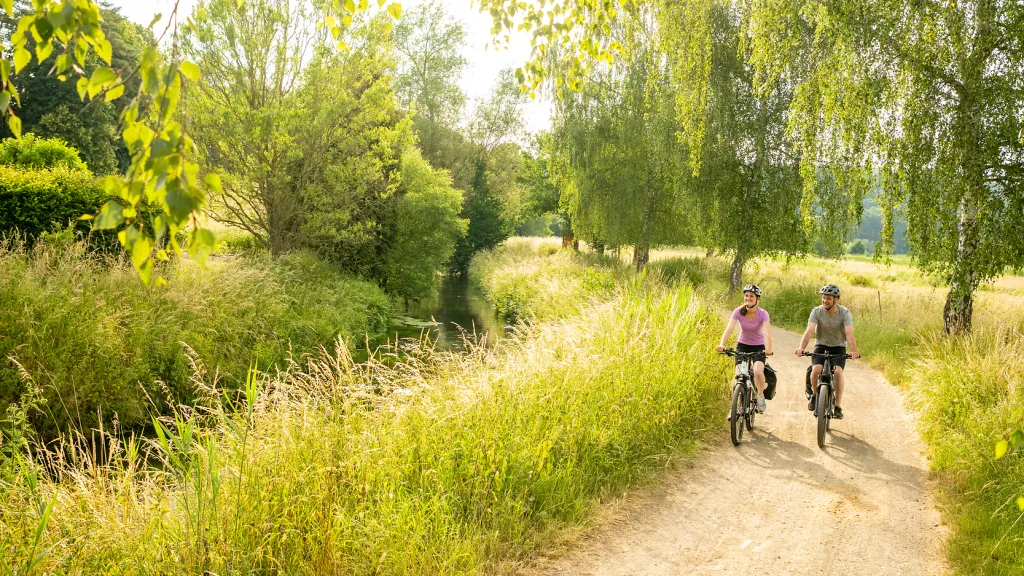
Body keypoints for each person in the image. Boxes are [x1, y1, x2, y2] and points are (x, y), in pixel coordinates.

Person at [795, 283, 861, 419]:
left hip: (838, 347)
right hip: (821, 345)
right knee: (816, 370)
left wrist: (853, 351)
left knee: (838, 371)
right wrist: (802, 347)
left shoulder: (844, 313)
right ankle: (814, 395)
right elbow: (810, 330)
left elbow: (849, 334)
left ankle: (837, 406)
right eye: (824, 298)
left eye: (828, 299)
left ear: (836, 299)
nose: (825, 301)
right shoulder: (816, 311)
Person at [717, 284, 774, 414]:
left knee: (758, 372)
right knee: (738, 376)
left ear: (757, 299)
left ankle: (760, 396)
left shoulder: (763, 314)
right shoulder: (738, 311)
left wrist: (769, 348)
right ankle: (735, 406)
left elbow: (767, 333)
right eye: (746, 296)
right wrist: (722, 344)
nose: (748, 298)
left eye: (751, 296)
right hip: (742, 345)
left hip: (759, 347)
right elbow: (729, 328)